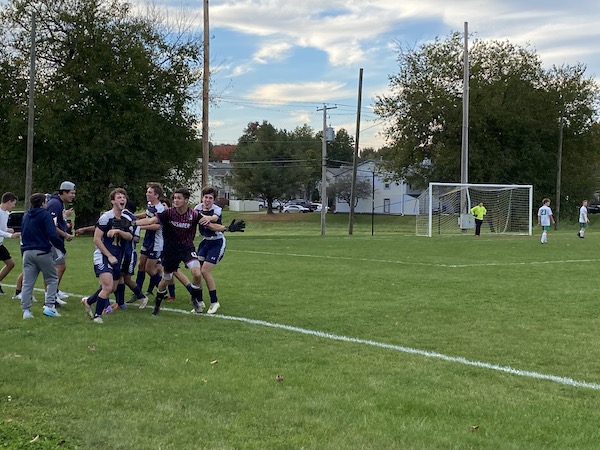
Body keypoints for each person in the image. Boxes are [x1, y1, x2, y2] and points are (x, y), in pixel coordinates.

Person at [133, 187, 245, 316]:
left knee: (197, 273)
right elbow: (150, 220)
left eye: (179, 198)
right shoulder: (168, 213)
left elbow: (211, 225)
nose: (175, 200)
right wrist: (133, 222)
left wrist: (227, 228)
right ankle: (157, 304)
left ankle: (195, 299)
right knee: (165, 280)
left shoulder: (194, 214)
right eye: (174, 198)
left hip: (187, 249)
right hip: (170, 252)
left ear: (186, 200)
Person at [81, 188, 134, 324]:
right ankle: (97, 316)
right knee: (108, 287)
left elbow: (130, 236)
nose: (122, 199)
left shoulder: (126, 218)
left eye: (124, 197)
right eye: (119, 197)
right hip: (103, 255)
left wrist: (118, 232)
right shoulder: (106, 217)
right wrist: (109, 255)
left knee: (112, 288)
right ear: (112, 201)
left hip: (118, 256)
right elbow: (96, 239)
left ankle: (89, 301)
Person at [19, 193, 66, 319]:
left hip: (27, 252)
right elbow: (52, 234)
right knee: (52, 279)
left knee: (27, 283)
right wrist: (61, 247)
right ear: (43, 203)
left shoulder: (26, 215)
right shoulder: (45, 215)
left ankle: (26, 311)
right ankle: (50, 306)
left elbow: (23, 234)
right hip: (42, 251)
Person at [195, 187, 226, 314]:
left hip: (217, 242)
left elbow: (214, 218)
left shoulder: (217, 209)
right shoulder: (197, 208)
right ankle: (199, 301)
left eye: (210, 198)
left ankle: (214, 301)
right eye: (205, 197)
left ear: (214, 200)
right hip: (205, 242)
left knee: (205, 271)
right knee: (197, 272)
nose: (207, 200)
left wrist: (205, 218)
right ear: (202, 198)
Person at [46, 181, 77, 305]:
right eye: (71, 193)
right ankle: (51, 296)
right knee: (59, 267)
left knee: (56, 267)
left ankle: (54, 292)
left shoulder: (59, 203)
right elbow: (52, 225)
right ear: (63, 192)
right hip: (52, 240)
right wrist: (65, 235)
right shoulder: (55, 204)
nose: (73, 196)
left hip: (55, 240)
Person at [133, 183, 165, 303]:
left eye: (149, 192)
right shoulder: (150, 204)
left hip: (156, 242)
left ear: (156, 195)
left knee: (149, 268)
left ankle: (162, 289)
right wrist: (133, 216)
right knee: (141, 265)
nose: (147, 194)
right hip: (147, 240)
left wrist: (140, 227)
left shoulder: (161, 209)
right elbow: (147, 215)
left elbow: (157, 226)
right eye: (147, 191)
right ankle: (137, 293)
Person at [0, 192, 21, 294]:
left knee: (10, 264)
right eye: (13, 203)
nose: (14, 206)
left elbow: (2, 228)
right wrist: (10, 235)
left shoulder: (6, 213)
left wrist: (9, 230)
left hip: (0, 244)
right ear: (8, 202)